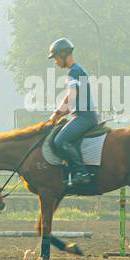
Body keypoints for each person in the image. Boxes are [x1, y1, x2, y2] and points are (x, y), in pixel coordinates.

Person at [48, 37, 97, 186]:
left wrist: (56, 114)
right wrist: (58, 115)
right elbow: (70, 101)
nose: (56, 62)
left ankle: (81, 172)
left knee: (60, 140)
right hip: (80, 116)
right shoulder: (77, 70)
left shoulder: (74, 72)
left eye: (56, 57)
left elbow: (71, 97)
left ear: (63, 54)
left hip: (84, 117)